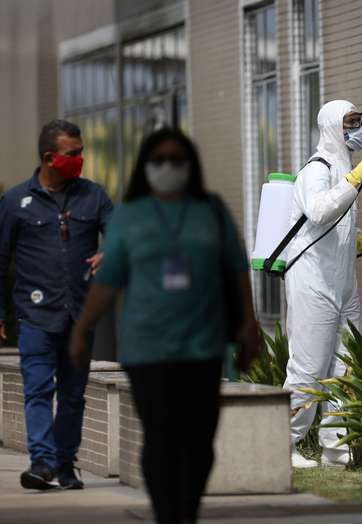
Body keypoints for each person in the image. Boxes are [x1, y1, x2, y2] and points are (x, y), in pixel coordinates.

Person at [68, 128, 262, 523]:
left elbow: (237, 269)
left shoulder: (211, 210)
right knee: (161, 436)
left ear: (191, 166)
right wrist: (81, 329)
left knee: (199, 439)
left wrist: (248, 324)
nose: (168, 168)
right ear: (146, 166)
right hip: (147, 348)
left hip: (202, 346)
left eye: (177, 160)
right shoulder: (130, 215)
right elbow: (108, 282)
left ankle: (186, 511)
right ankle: (167, 514)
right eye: (160, 160)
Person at [0, 119, 112, 490]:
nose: (80, 159)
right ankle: (43, 463)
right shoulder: (16, 201)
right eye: (73, 153)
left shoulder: (93, 196)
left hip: (80, 316)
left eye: (81, 152)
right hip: (35, 316)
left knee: (73, 396)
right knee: (37, 389)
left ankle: (64, 464)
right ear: (50, 157)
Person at [284, 100, 362, 468]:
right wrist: (354, 179)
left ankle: (336, 448)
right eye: (349, 123)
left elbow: (335, 224)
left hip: (343, 284)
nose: (356, 129)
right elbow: (319, 210)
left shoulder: (344, 169)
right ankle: (284, 444)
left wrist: (359, 241)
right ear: (330, 127)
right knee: (308, 367)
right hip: (313, 282)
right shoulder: (317, 169)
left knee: (345, 367)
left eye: (359, 121)